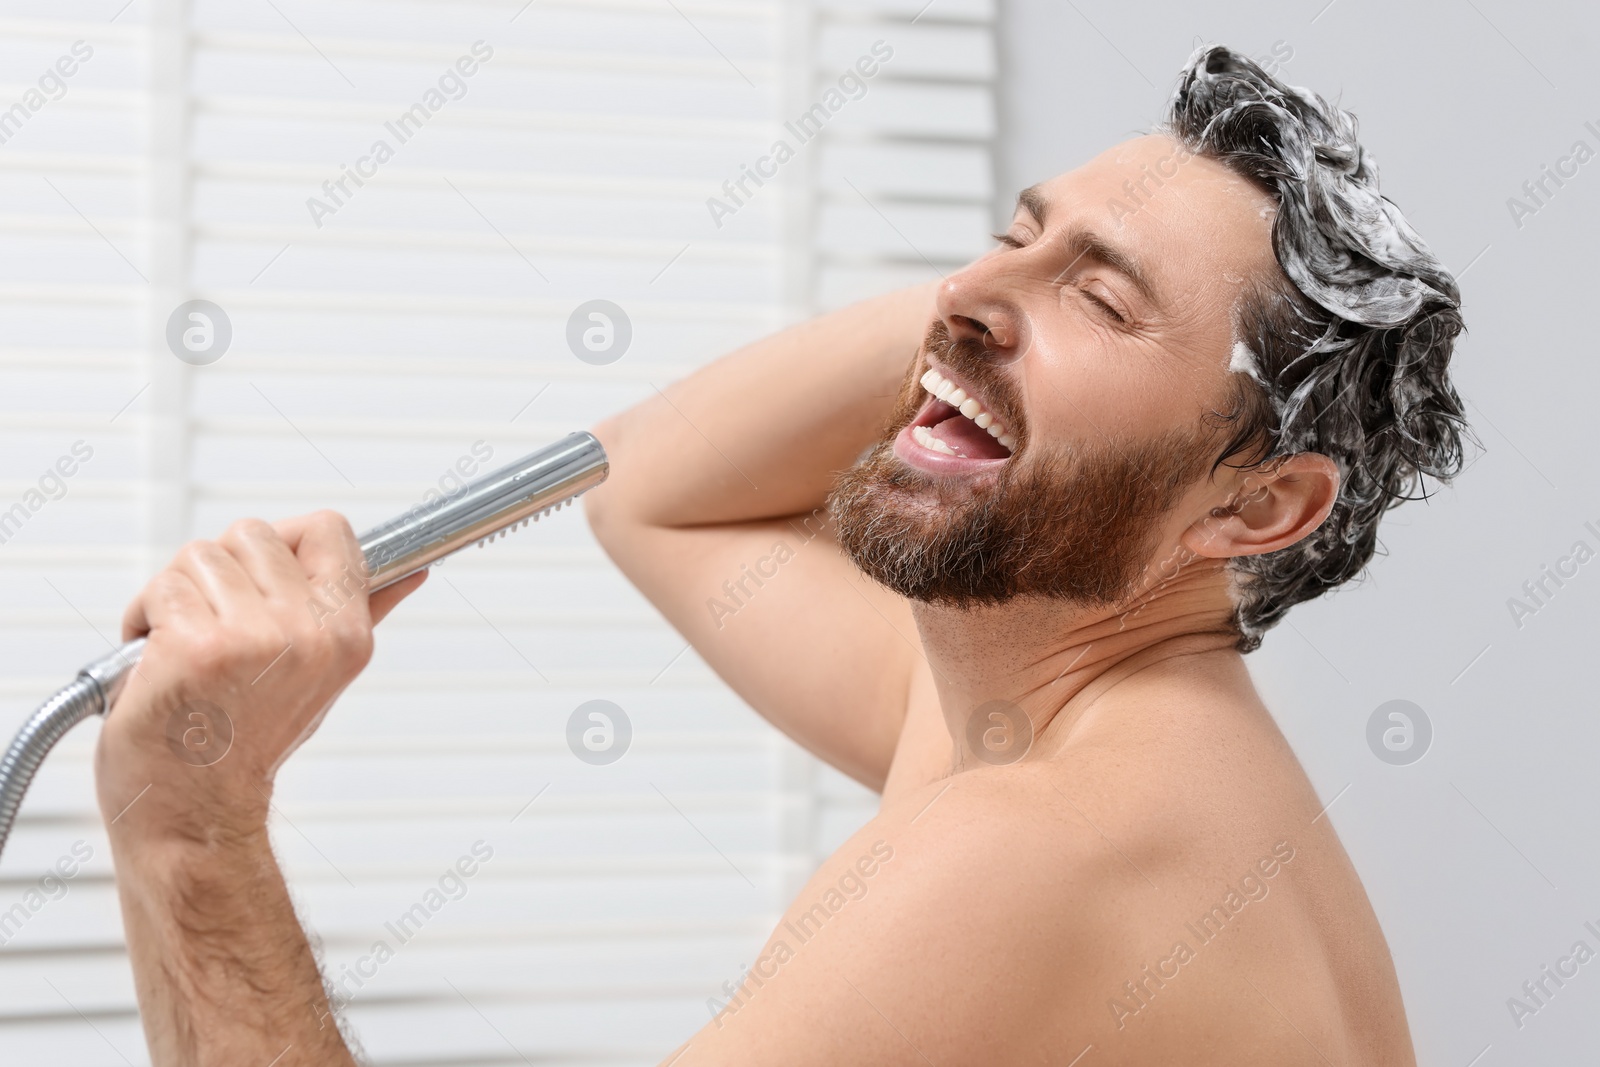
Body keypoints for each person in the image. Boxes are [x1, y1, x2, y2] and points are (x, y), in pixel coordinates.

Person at [93, 45, 1465, 1065]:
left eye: (1103, 298)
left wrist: (192, 822)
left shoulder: (1045, 855)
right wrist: (991, 325)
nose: (970, 284)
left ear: (1255, 507)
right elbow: (657, 495)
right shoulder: (1043, 717)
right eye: (1008, 230)